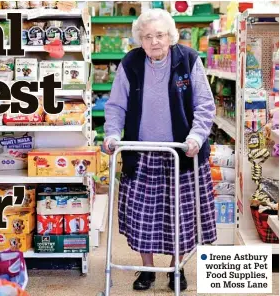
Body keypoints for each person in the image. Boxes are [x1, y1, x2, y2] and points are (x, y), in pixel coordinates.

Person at [103, 9, 217, 292]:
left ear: (171, 36)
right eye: (148, 36)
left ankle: (174, 270)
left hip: (182, 153)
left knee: (181, 219)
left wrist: (196, 137)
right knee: (143, 219)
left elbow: (204, 105)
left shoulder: (188, 59)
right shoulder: (131, 62)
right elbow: (117, 105)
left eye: (160, 35)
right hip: (142, 154)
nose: (155, 41)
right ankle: (146, 270)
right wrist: (112, 134)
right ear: (140, 40)